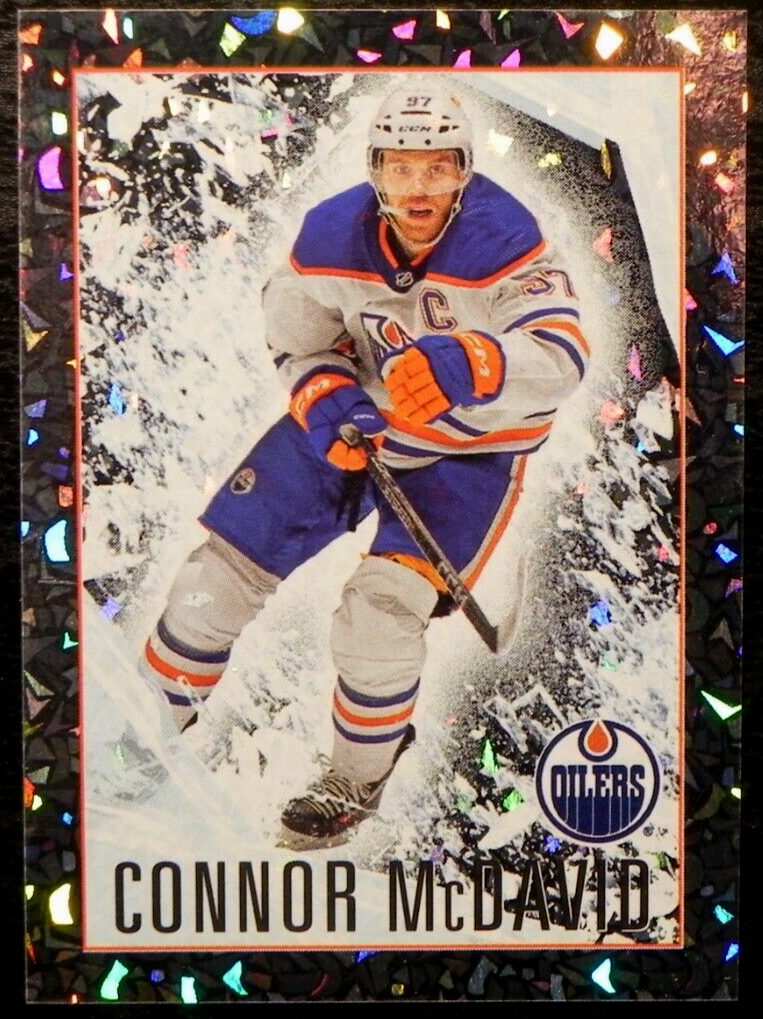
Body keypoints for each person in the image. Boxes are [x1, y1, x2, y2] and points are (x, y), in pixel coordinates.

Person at [139, 88, 590, 846]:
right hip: (358, 427)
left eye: (437, 168)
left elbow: (561, 354)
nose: (418, 189)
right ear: (374, 169)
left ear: (466, 170)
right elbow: (299, 339)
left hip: (468, 454)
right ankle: (141, 731)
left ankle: (355, 778)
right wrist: (325, 392)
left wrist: (472, 361)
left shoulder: (504, 236)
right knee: (213, 579)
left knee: (378, 617)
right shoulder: (329, 235)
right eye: (400, 168)